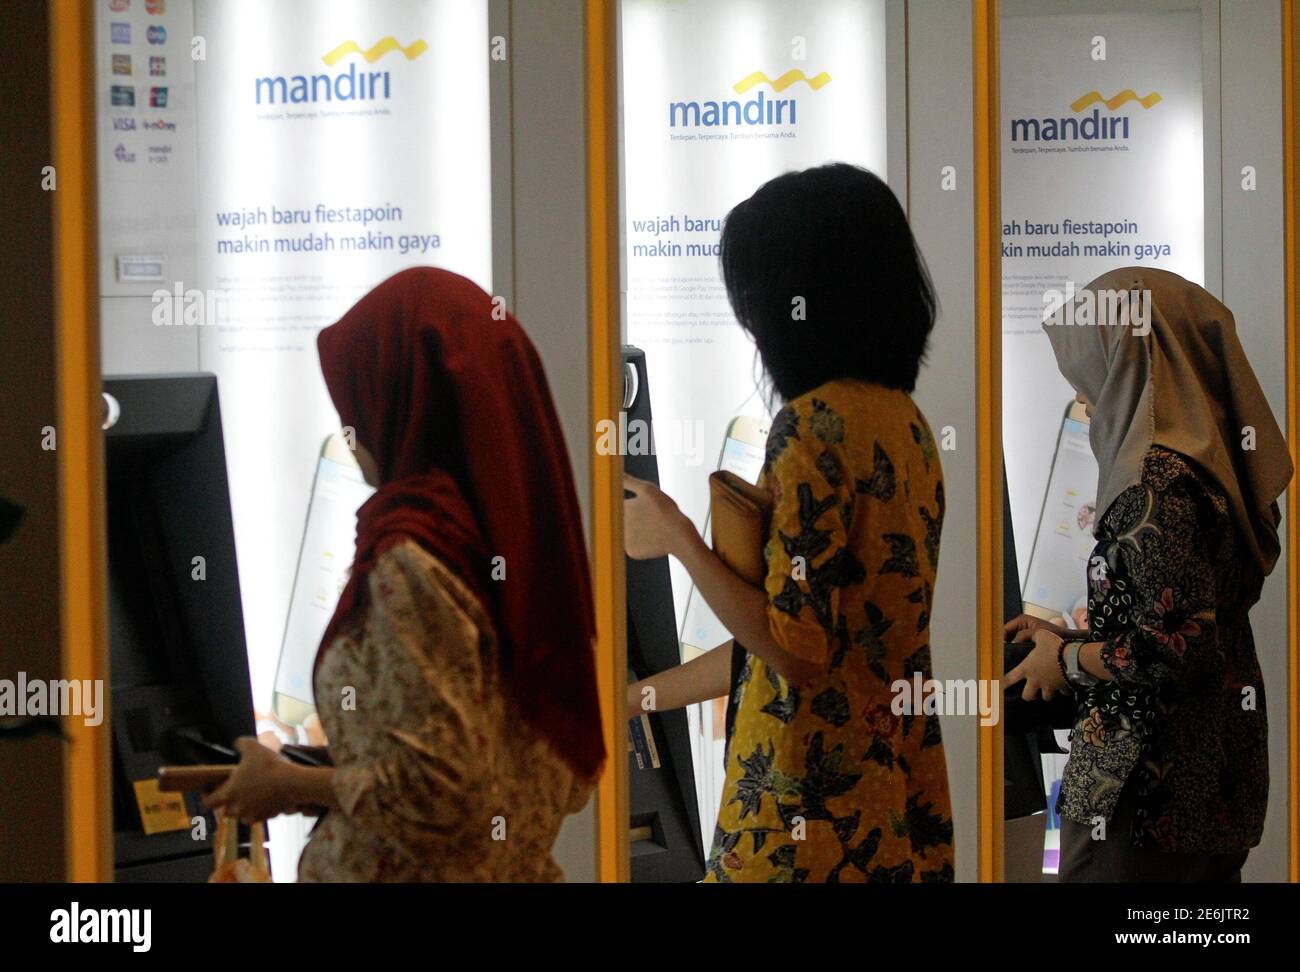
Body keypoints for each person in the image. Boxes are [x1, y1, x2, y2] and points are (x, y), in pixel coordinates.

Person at [206, 267, 605, 882]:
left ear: (405, 400)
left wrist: (286, 783)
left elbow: (439, 792)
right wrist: (323, 772)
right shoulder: (517, 536)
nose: (350, 431)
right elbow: (527, 768)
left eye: (355, 403)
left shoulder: (413, 559)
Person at [624, 163, 955, 882]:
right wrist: (637, 697)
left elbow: (796, 651)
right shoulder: (904, 422)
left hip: (804, 810)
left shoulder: (811, 427)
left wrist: (678, 539)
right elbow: (799, 645)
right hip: (893, 794)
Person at [1005, 267, 1294, 882]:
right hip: (1218, 773)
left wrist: (1066, 660)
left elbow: (1176, 649)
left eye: (1089, 375)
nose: (1086, 399)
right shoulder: (1214, 469)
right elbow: (1190, 618)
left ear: (1130, 362)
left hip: (1143, 788)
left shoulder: (1153, 483)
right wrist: (1069, 637)